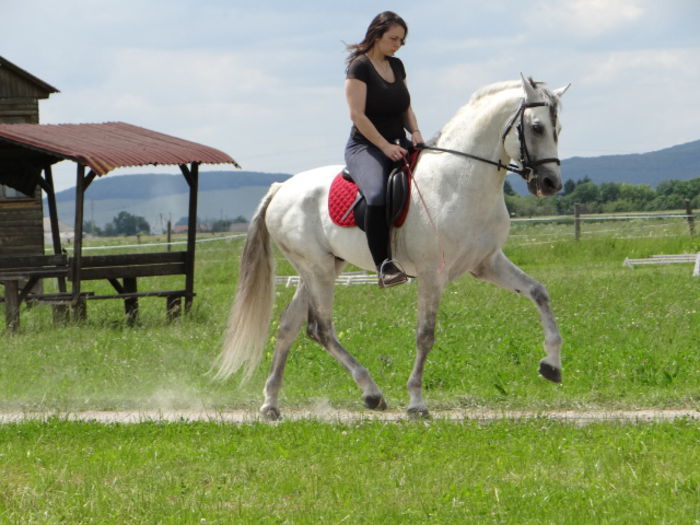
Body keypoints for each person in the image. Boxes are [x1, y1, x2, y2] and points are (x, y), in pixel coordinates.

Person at [344, 11, 424, 288]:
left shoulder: (398, 65)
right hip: (366, 146)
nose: (397, 44)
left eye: (401, 40)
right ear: (377, 35)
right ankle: (385, 266)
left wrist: (415, 132)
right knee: (377, 195)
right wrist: (384, 146)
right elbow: (357, 115)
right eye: (393, 38)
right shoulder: (359, 67)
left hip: (399, 144)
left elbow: (405, 107)